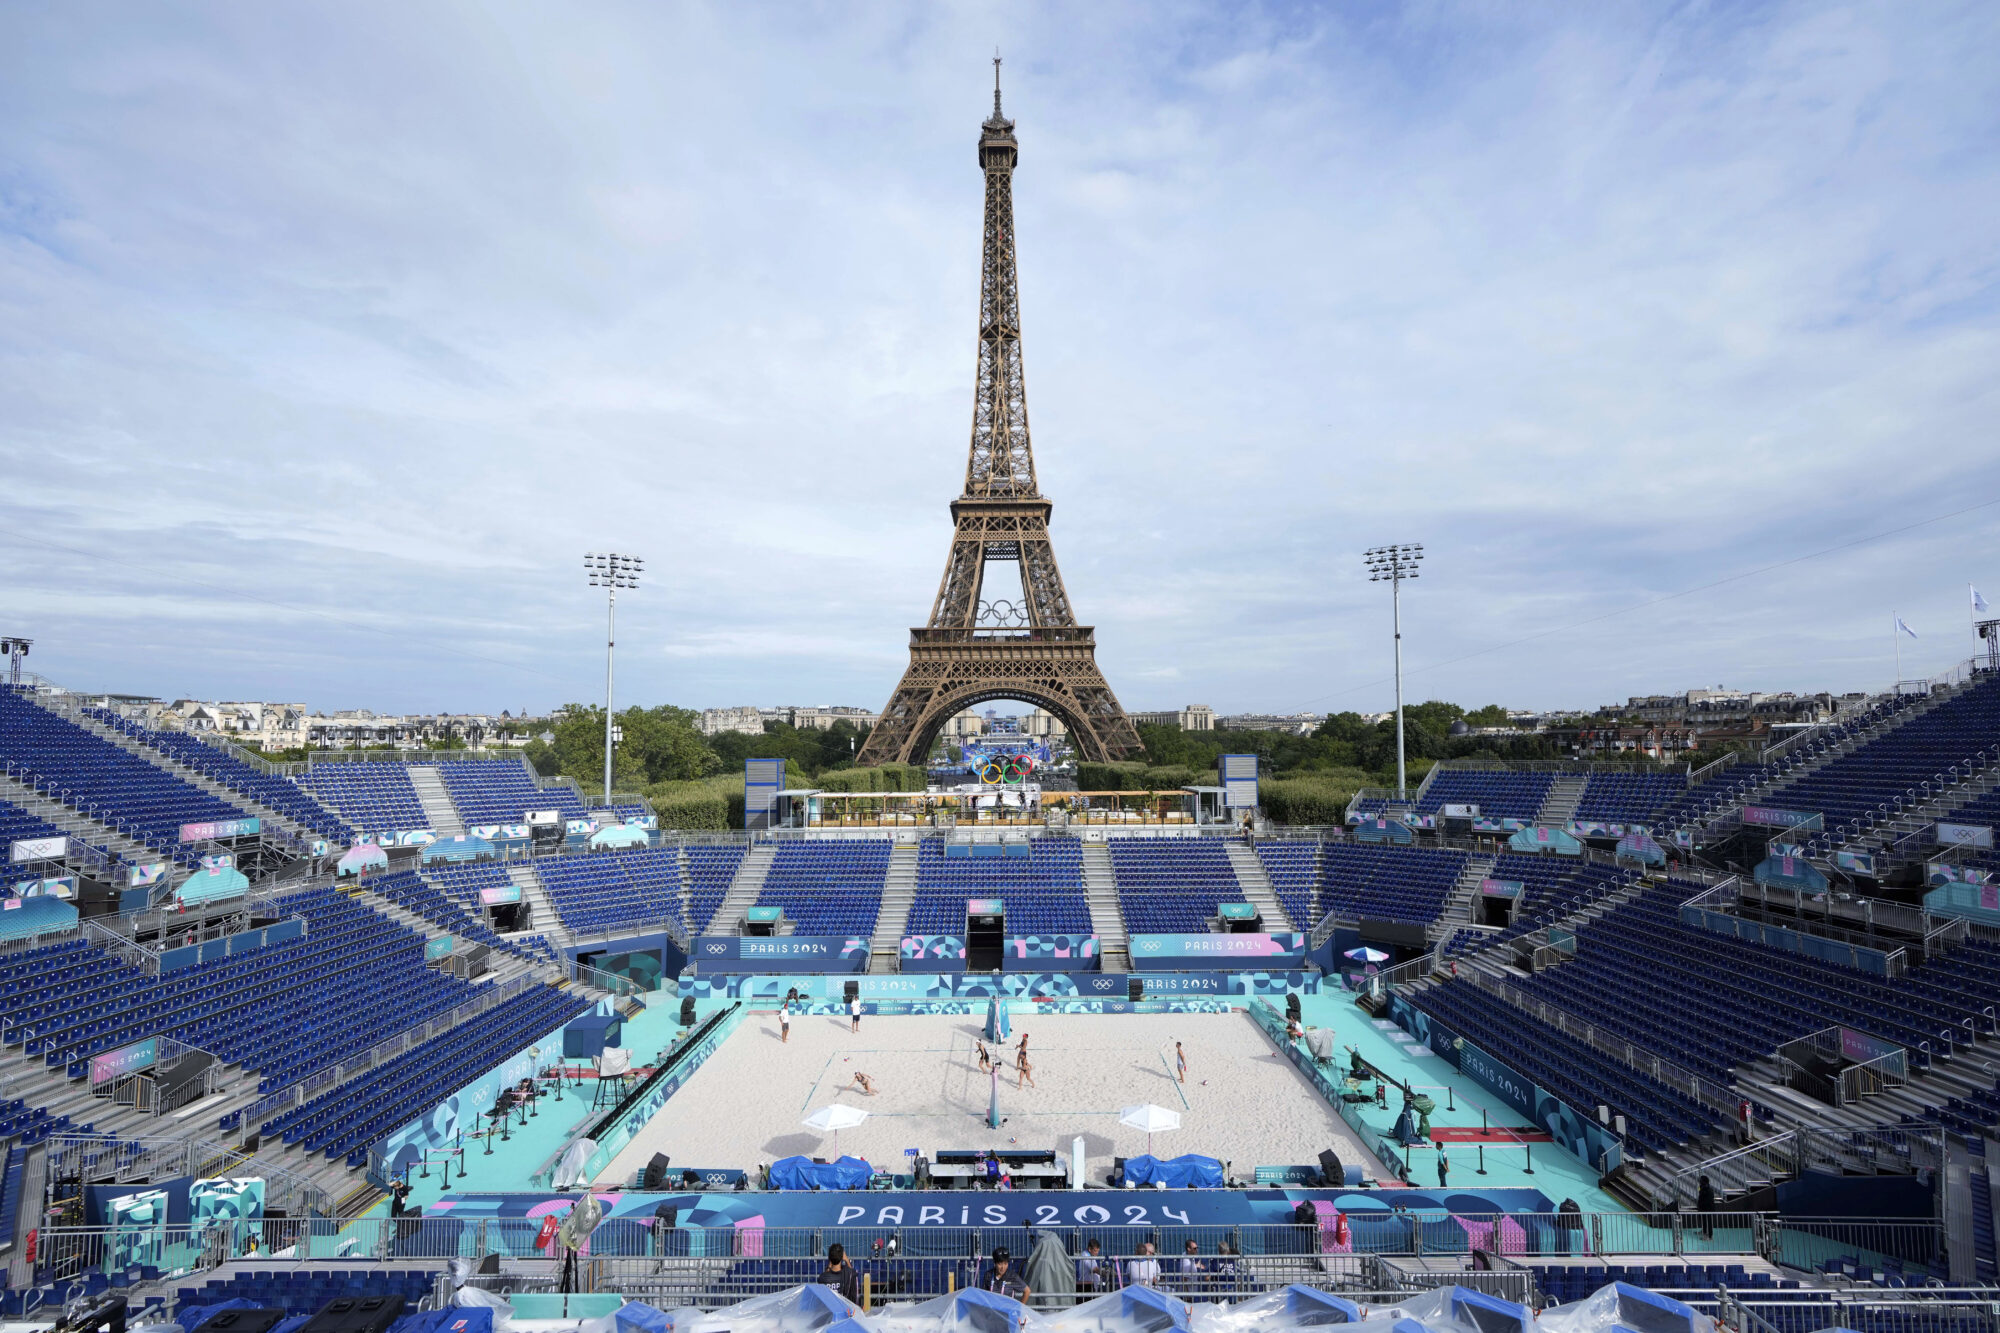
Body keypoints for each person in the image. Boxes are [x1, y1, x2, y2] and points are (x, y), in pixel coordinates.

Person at [817, 1241, 861, 1306]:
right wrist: (847, 1260)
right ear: (842, 1257)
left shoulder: (822, 1278)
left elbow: (826, 1275)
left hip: (829, 1310)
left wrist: (830, 1263)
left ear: (829, 1258)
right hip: (845, 1310)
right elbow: (852, 1273)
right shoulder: (848, 1274)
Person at [1696, 1173, 1717, 1239]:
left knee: (1709, 1222)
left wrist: (1702, 1205)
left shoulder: (1708, 1189)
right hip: (1703, 1208)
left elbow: (1708, 1200)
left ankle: (1710, 1236)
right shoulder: (1701, 1187)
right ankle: (1704, 1232)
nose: (1700, 1181)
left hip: (1708, 1208)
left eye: (1701, 1180)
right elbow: (1700, 1193)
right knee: (1703, 1220)